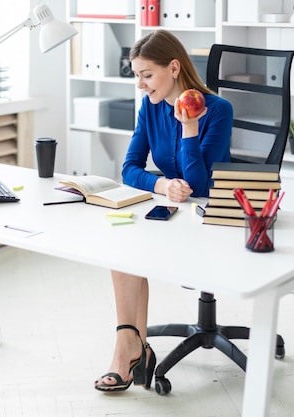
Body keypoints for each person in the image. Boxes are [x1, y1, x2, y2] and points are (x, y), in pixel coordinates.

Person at [94, 30, 233, 392]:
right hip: (172, 210)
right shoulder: (150, 108)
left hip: (213, 221)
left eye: (146, 75)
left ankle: (132, 351)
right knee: (123, 242)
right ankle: (129, 348)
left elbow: (200, 186)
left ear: (173, 67)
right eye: (136, 75)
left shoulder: (218, 110)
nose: (140, 84)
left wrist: (189, 126)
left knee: (133, 246)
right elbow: (129, 168)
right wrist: (161, 185)